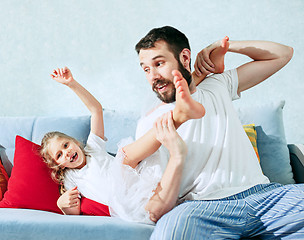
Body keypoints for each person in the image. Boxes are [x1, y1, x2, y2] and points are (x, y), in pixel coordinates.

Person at [134, 26, 303, 239]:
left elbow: (282, 54)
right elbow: (155, 202)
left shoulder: (217, 85)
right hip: (202, 208)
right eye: (146, 69)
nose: (153, 77)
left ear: (185, 58)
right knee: (172, 230)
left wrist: (225, 47)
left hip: (265, 198)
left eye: (159, 64)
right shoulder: (150, 123)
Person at [40, 66, 203, 224]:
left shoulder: (92, 148)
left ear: (75, 142)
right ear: (58, 165)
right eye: (59, 155)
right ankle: (182, 108)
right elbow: (75, 214)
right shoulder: (70, 179)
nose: (66, 152)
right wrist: (63, 206)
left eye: (66, 145)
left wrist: (71, 83)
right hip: (126, 201)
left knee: (125, 154)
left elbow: (96, 110)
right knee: (153, 211)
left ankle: (181, 110)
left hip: (135, 173)